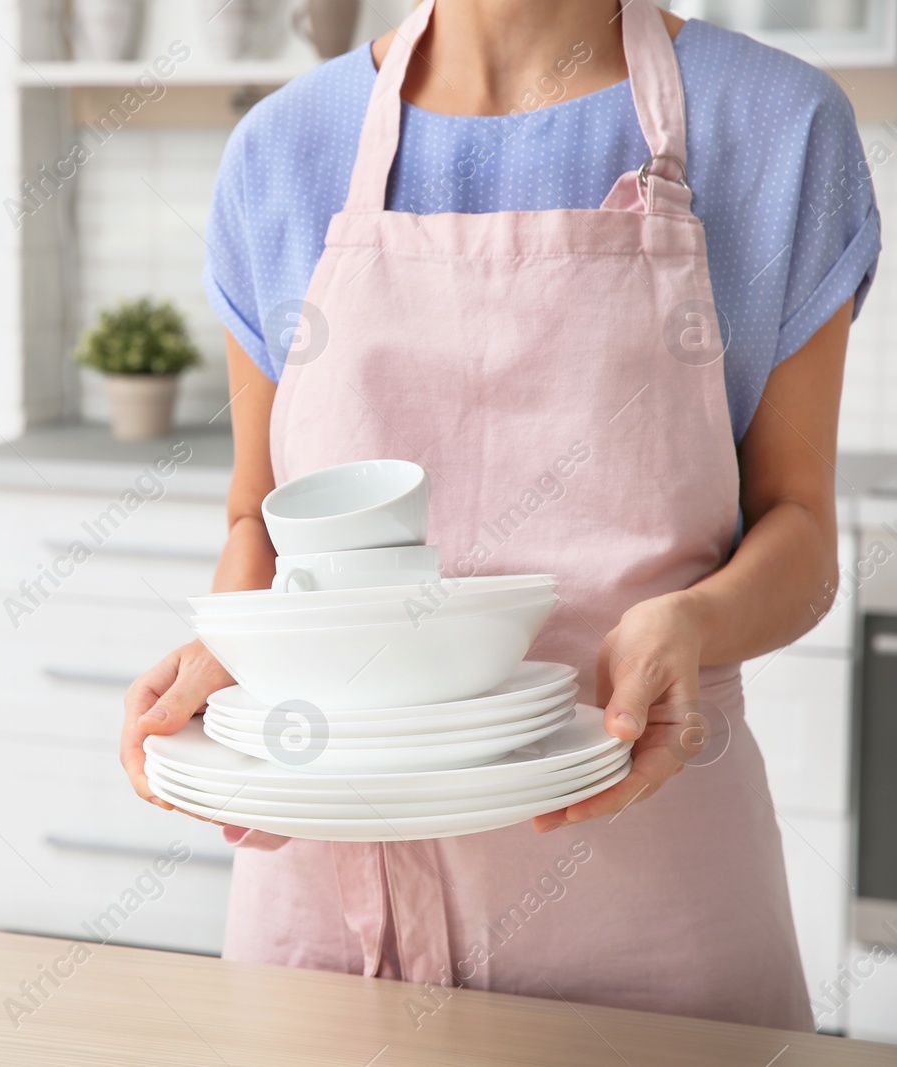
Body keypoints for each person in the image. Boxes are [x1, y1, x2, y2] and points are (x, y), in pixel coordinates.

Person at [120, 0, 880, 1029]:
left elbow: (796, 530)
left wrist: (693, 623)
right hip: (330, 904)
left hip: (648, 891)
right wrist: (236, 654)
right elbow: (256, 516)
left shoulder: (777, 126)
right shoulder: (284, 149)